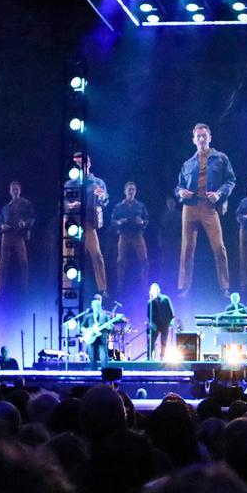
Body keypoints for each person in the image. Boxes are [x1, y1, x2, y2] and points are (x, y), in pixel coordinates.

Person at [175, 122, 236, 297]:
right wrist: (181, 192)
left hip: (209, 207)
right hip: (190, 207)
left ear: (209, 138)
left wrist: (219, 194)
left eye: (204, 136)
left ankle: (224, 287)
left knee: (219, 247)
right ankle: (184, 288)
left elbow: (230, 180)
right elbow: (178, 186)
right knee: (187, 249)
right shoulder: (188, 163)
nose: (201, 139)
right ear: (194, 140)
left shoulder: (221, 158)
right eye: (198, 136)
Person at [63, 152, 109, 295]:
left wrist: (101, 196)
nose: (80, 165)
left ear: (88, 163)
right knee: (67, 256)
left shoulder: (98, 182)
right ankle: (67, 287)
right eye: (77, 163)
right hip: (71, 222)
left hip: (88, 222)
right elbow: (63, 202)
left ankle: (103, 289)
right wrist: (70, 206)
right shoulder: (70, 183)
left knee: (96, 255)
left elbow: (105, 201)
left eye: (83, 162)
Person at [111, 181, 149, 298]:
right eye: (129, 189)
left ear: (135, 191)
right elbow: (112, 220)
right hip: (124, 235)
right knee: (121, 260)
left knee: (144, 260)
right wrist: (119, 222)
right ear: (125, 191)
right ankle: (120, 285)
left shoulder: (140, 206)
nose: (131, 191)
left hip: (137, 235)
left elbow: (146, 219)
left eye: (133, 189)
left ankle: (145, 285)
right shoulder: (119, 206)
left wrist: (142, 222)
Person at [0, 180, 35, 297]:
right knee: (3, 264)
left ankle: (25, 289)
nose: (15, 191)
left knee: (23, 262)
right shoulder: (5, 208)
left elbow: (32, 217)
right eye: (13, 189)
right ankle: (1, 290)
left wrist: (25, 224)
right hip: (6, 236)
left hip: (18, 235)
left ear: (19, 190)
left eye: (16, 189)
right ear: (10, 191)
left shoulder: (26, 204)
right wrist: (2, 226)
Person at [76, 294, 116, 366]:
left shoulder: (104, 316)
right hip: (91, 340)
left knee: (104, 359)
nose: (96, 307)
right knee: (92, 359)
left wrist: (108, 327)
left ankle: (105, 372)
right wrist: (87, 330)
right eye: (94, 306)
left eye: (97, 306)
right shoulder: (88, 316)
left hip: (102, 340)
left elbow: (111, 328)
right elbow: (81, 327)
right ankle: (92, 371)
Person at [147, 283, 175, 360]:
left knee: (163, 341)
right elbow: (149, 315)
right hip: (155, 325)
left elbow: (171, 312)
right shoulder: (150, 302)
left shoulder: (165, 299)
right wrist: (151, 323)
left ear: (158, 290)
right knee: (151, 341)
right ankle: (151, 357)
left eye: (154, 290)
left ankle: (162, 357)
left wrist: (171, 321)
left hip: (165, 324)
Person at [158, 196, 182, 289]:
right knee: (166, 262)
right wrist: (160, 241)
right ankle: (164, 281)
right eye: (169, 203)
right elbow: (160, 229)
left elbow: (183, 229)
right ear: (167, 204)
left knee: (178, 261)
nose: (170, 204)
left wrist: (182, 240)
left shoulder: (180, 214)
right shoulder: (164, 215)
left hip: (177, 241)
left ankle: (178, 282)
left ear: (174, 203)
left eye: (172, 202)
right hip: (167, 242)